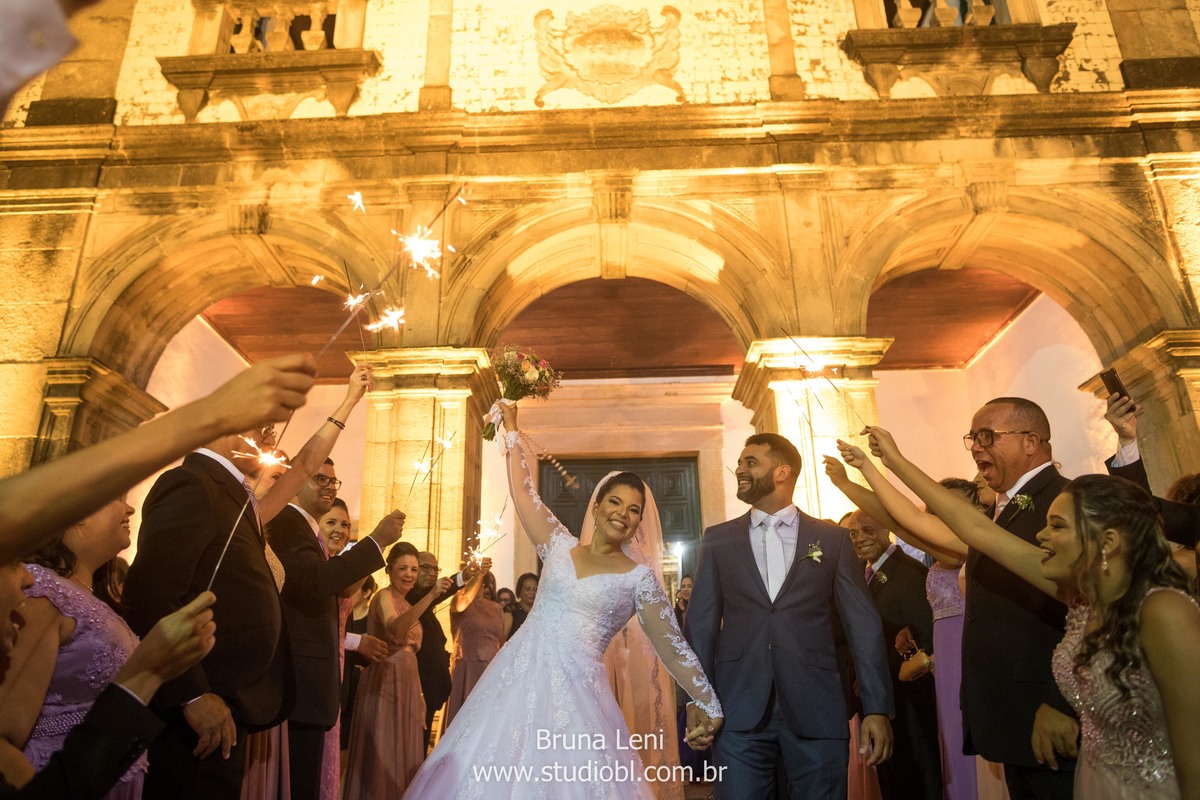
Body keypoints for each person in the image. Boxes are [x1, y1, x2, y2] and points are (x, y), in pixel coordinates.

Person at [403, 400, 723, 798]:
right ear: (598, 504)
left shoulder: (639, 580)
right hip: (513, 682)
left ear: (641, 522)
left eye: (634, 510)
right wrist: (513, 430)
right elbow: (523, 493)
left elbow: (672, 647)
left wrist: (707, 700)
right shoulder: (558, 546)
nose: (623, 514)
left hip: (579, 696)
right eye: (615, 502)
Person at [865, 424, 1200, 799]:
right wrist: (891, 461)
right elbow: (979, 531)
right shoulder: (1079, 599)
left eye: (1057, 526)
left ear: (1106, 542)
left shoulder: (1164, 611)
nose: (1041, 535)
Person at [686, 432, 893, 800]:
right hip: (738, 707)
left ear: (782, 472)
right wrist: (696, 699)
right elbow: (700, 626)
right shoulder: (717, 539)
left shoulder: (831, 540)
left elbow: (862, 625)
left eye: (751, 462)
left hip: (817, 706)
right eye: (741, 462)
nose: (740, 469)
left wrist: (876, 707)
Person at [0, 354, 316, 565]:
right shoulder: (189, 484)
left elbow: (300, 471)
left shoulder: (241, 498)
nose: (129, 507)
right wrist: (215, 413)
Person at [0, 548, 216, 800]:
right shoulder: (47, 590)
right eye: (12, 562)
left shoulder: (94, 596)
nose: (27, 578)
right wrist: (146, 673)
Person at [265, 456, 403, 800]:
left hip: (315, 680)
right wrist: (375, 541)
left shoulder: (306, 530)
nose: (328, 487)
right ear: (296, 482)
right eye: (319, 479)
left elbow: (337, 586)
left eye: (333, 481)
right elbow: (315, 581)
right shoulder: (286, 523)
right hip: (298, 678)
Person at [0, 498, 142, 798]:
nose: (129, 509)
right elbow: (5, 734)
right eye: (117, 498)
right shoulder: (44, 592)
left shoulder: (90, 595)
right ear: (78, 515)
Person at [343, 543, 453, 799]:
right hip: (385, 683)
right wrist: (430, 596)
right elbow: (396, 629)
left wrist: (420, 696)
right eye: (403, 568)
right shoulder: (384, 596)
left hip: (409, 683)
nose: (409, 574)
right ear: (389, 570)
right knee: (386, 753)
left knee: (406, 752)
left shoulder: (405, 600)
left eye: (413, 569)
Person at [846, 510, 942, 800]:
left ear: (886, 529)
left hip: (910, 709)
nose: (860, 538)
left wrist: (879, 674)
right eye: (853, 533)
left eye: (867, 529)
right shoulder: (866, 575)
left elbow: (925, 639)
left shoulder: (909, 573)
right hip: (883, 705)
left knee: (917, 785)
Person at [441, 561, 501, 733]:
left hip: (491, 670)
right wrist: (479, 573)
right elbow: (465, 599)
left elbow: (499, 640)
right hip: (467, 669)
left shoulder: (496, 608)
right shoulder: (458, 601)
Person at [502, 572, 537, 640]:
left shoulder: (541, 611)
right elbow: (503, 638)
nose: (532, 593)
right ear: (520, 591)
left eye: (535, 589)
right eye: (527, 589)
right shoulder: (511, 609)